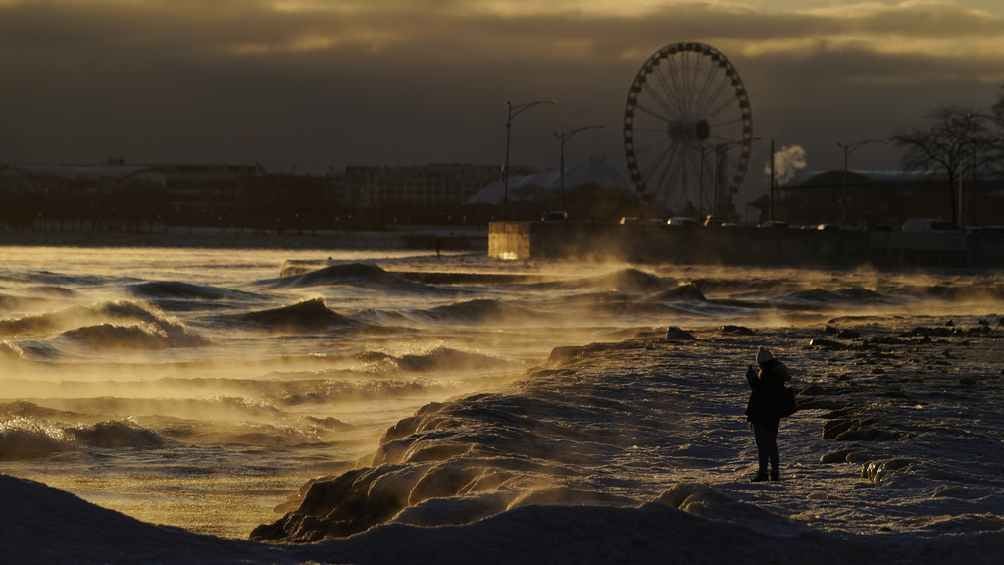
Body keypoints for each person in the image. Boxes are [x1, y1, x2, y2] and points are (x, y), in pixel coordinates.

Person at [745, 346, 790, 482]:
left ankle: (763, 473)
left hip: (763, 414)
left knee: (763, 445)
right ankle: (774, 472)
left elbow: (761, 393)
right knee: (771, 444)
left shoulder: (768, 373)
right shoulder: (776, 373)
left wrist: (752, 378)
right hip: (772, 414)